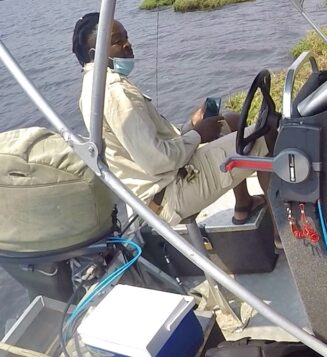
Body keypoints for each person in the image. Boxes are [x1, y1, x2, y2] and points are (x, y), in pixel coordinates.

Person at [72, 12, 273, 226]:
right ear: (97, 52)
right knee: (266, 133)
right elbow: (159, 160)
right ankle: (283, 233)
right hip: (168, 195)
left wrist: (190, 126)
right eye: (117, 41)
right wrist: (198, 134)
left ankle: (244, 205)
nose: (128, 45)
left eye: (126, 38)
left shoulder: (95, 85)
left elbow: (149, 144)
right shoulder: (115, 91)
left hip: (165, 183)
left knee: (230, 121)